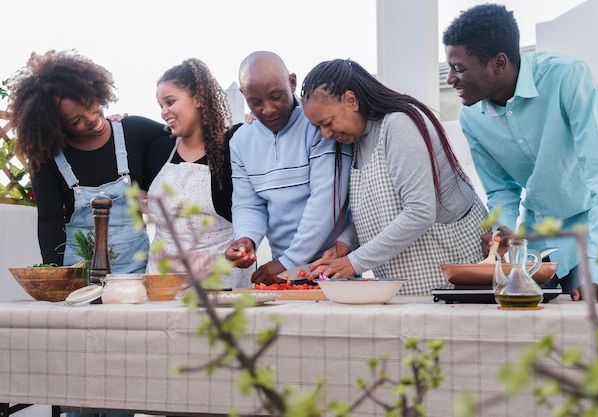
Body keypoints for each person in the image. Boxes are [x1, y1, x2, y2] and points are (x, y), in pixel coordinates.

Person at [442, 4, 598, 302]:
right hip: (537, 239)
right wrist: (503, 228)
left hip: (595, 229)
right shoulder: (472, 118)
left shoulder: (567, 77)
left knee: (591, 327)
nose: (450, 79)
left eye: (459, 68)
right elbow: (501, 189)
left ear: (498, 63)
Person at [301, 58, 489, 296]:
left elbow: (420, 211)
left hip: (450, 271)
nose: (325, 134)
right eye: (318, 128)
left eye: (327, 123)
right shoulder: (356, 143)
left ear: (351, 100)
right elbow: (378, 216)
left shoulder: (399, 125)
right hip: (410, 282)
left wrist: (353, 262)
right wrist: (345, 244)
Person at [9, 49, 169, 278]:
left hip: (138, 274)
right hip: (78, 276)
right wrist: (56, 276)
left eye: (90, 104)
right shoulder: (47, 160)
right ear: (58, 127)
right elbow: (50, 220)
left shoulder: (135, 132)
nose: (93, 119)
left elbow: (182, 143)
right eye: (77, 121)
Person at [224, 51, 352, 285]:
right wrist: (246, 239)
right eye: (255, 102)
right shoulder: (240, 141)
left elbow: (327, 199)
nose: (268, 109)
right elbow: (248, 203)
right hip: (282, 269)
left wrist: (289, 262)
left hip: (333, 268)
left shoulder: (319, 123)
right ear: (244, 95)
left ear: (292, 82)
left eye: (276, 96)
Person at [146, 58, 253, 288]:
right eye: (160, 105)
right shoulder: (158, 149)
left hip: (220, 281)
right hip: (163, 281)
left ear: (198, 98)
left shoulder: (234, 146)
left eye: (170, 102)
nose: (164, 112)